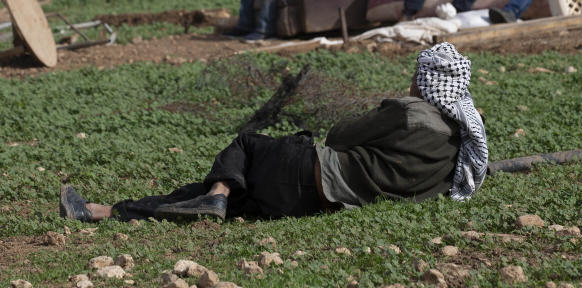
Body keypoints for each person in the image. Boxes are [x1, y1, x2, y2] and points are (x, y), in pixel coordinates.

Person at [58, 42, 488, 222]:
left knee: (245, 145)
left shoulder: (410, 111)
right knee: (229, 190)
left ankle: (211, 199)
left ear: (426, 80)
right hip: (313, 203)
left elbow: (338, 137)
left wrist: (393, 105)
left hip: (311, 171)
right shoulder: (461, 149)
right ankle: (102, 212)